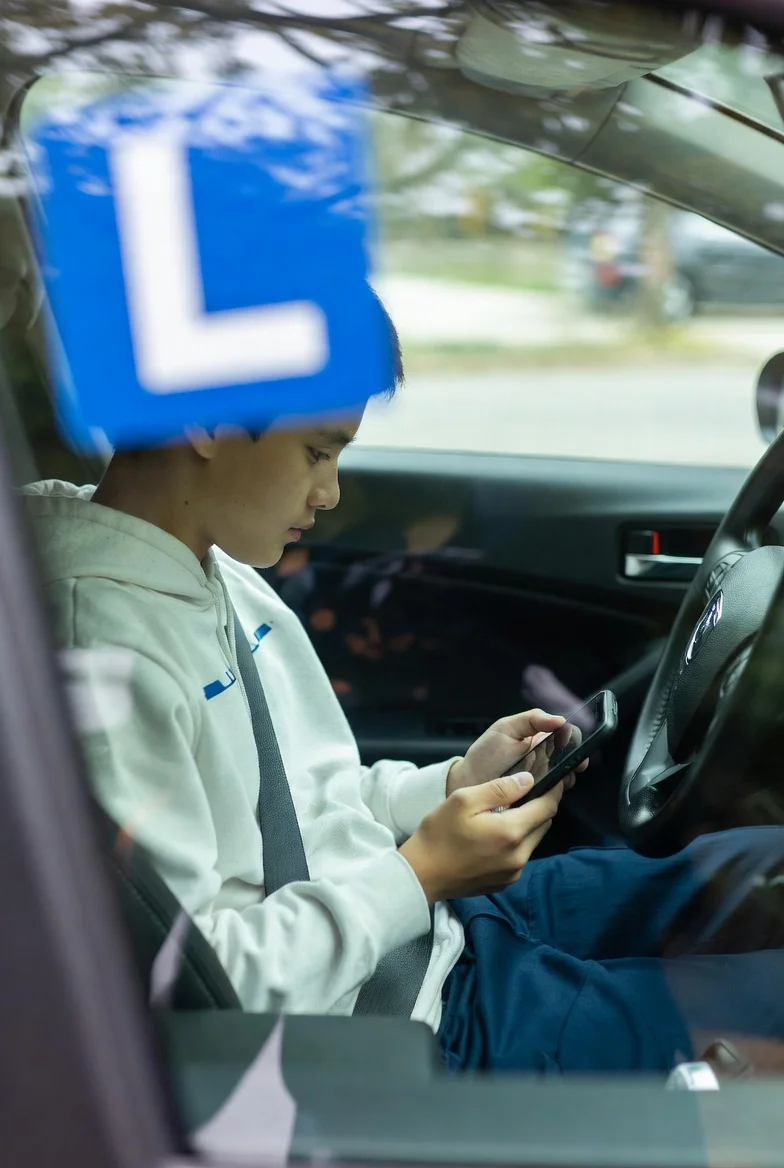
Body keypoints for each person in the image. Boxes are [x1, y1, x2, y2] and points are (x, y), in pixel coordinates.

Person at [24, 298, 784, 1076]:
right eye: (319, 451)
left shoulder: (214, 573)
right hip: (405, 1026)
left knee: (759, 872)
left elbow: (305, 803)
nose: (331, 493)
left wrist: (449, 786)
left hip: (425, 928)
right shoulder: (105, 664)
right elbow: (200, 995)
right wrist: (418, 873)